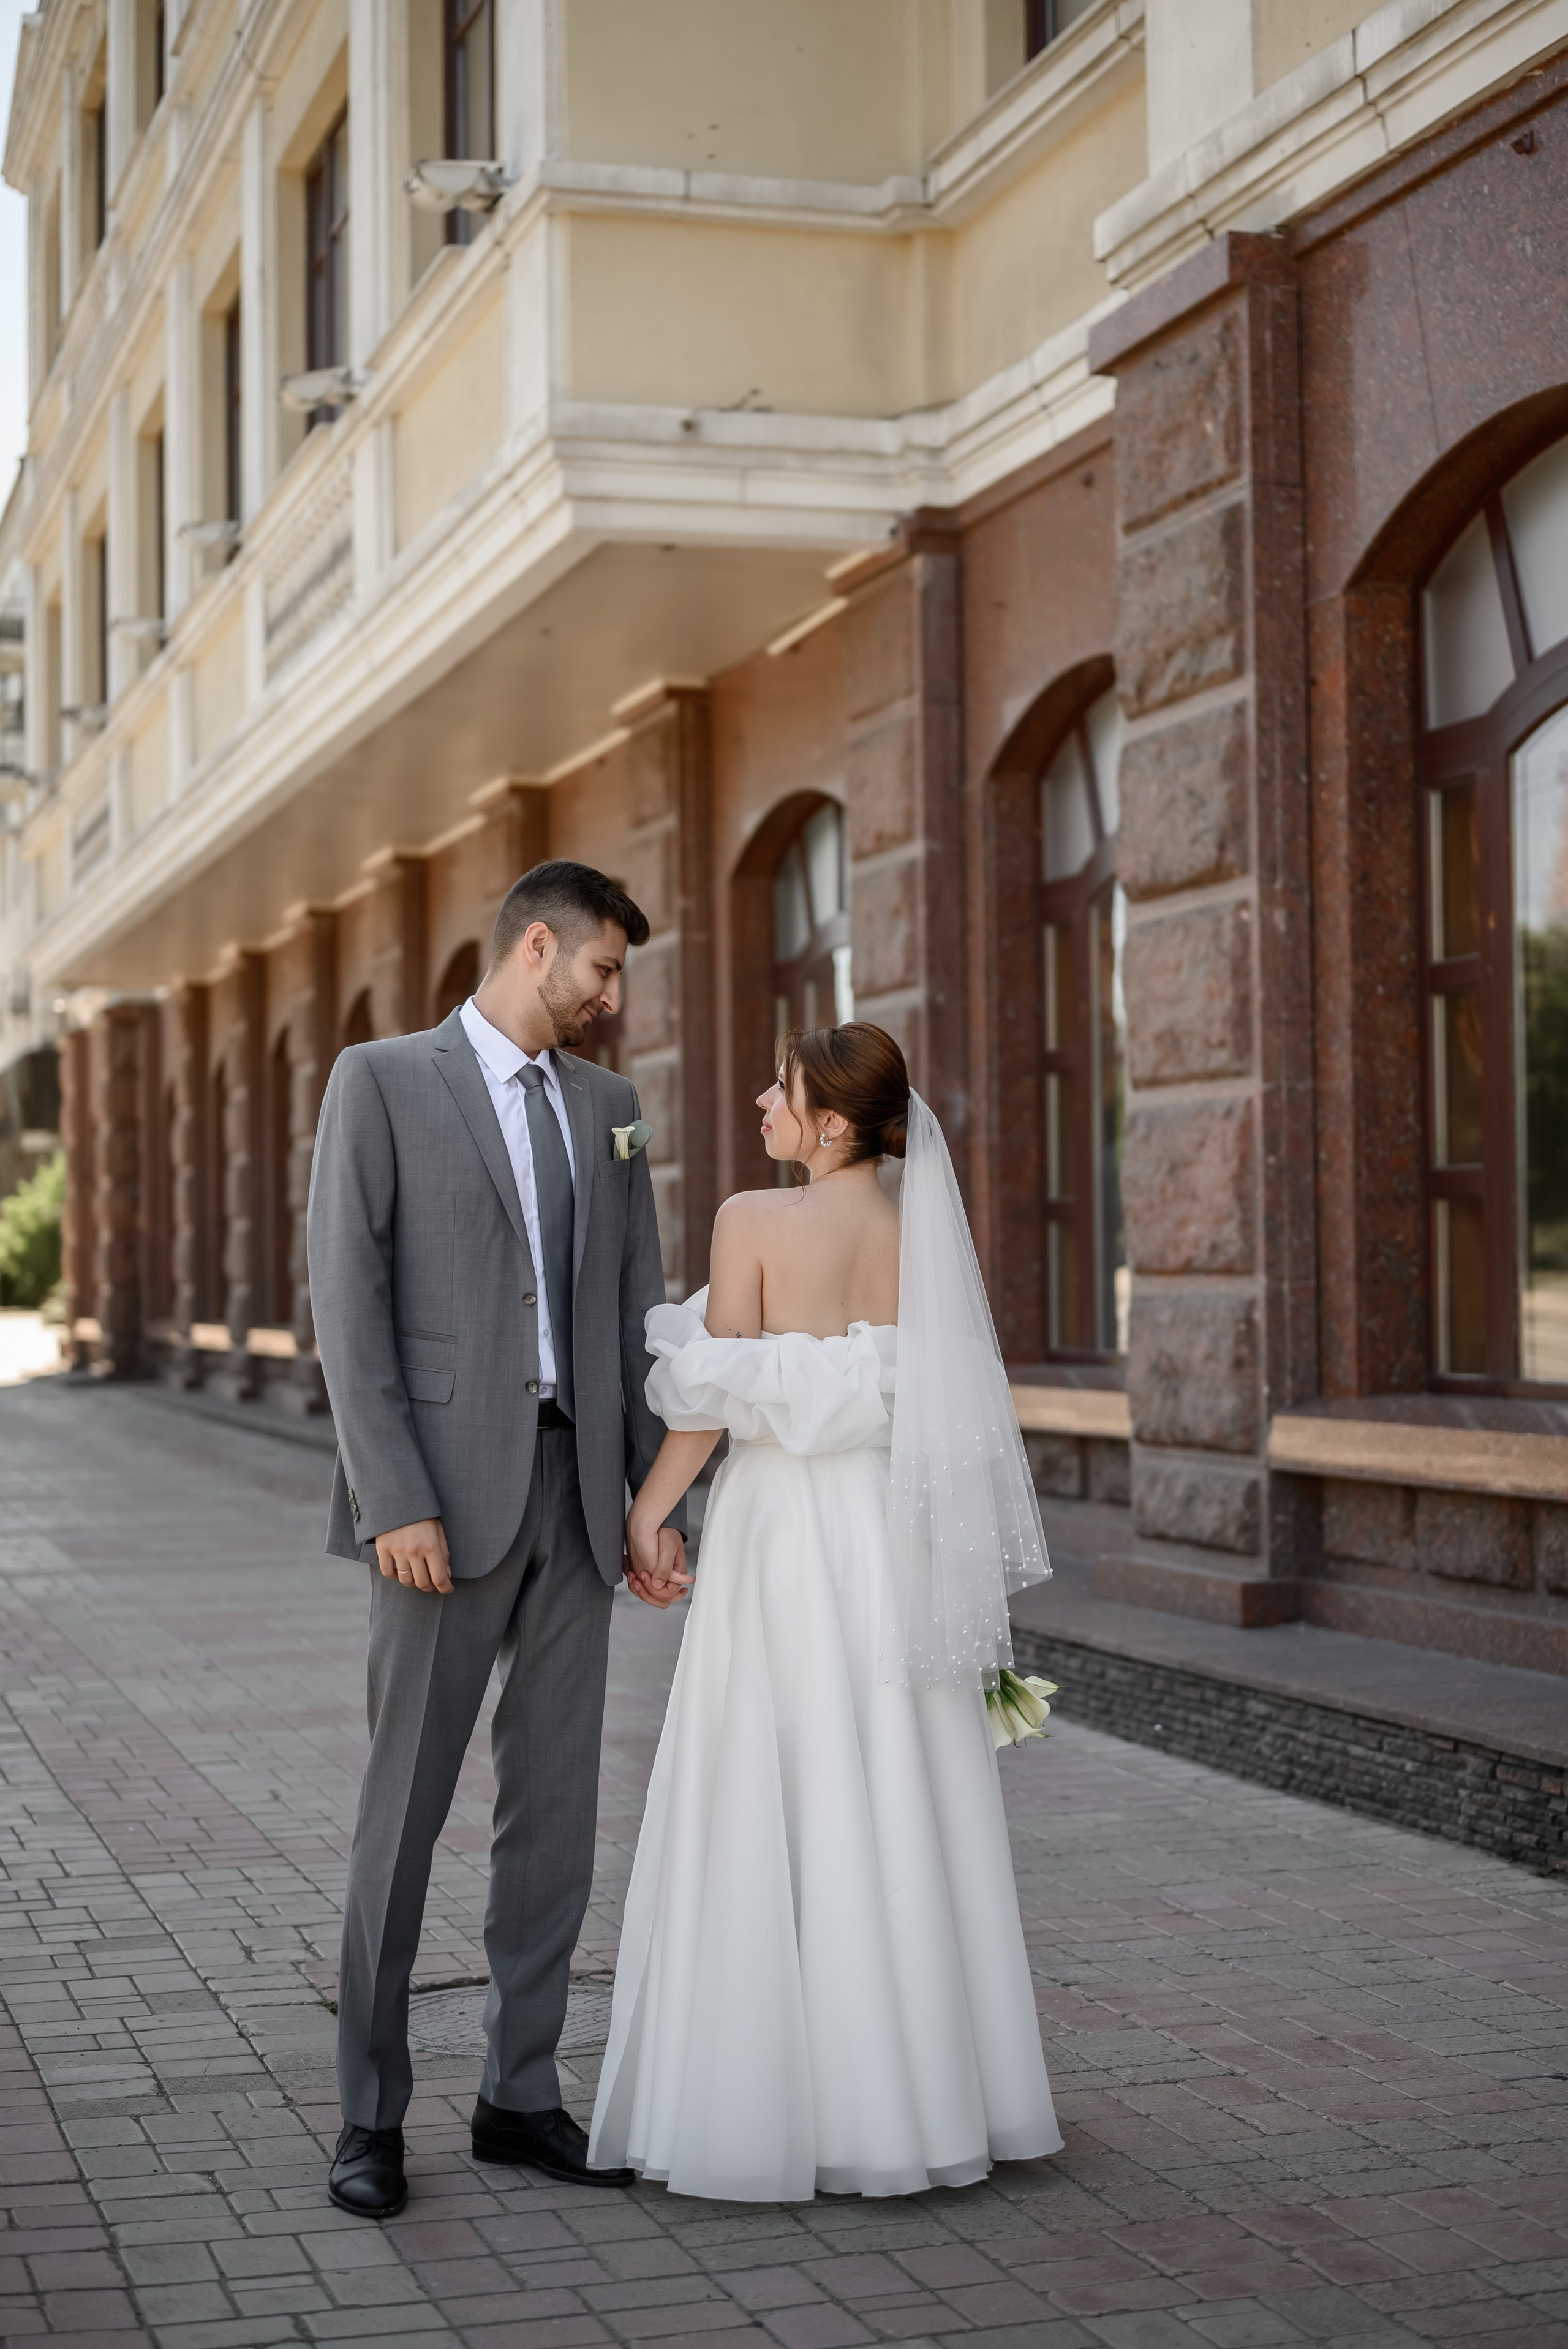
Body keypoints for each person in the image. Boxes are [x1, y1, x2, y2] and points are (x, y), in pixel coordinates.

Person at [590, 1022, 1063, 2200]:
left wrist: (649, 1517)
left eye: (783, 1090)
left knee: (769, 1776)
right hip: (887, 1538)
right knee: (897, 1784)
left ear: (834, 1122)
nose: (762, 1101)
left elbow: (710, 1398)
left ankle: (763, 2106)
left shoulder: (754, 1222)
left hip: (784, 1537)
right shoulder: (921, 1241)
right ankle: (923, 2097)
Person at [306, 859, 685, 2219]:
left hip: (577, 1506)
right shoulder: (382, 1080)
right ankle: (368, 2114)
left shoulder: (610, 1110)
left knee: (555, 1817)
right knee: (399, 1815)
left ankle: (521, 2093)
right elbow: (346, 1302)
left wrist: (651, 1503)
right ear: (538, 947)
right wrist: (388, 1493)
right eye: (602, 969)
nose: (611, 996)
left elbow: (638, 1304)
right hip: (436, 1514)